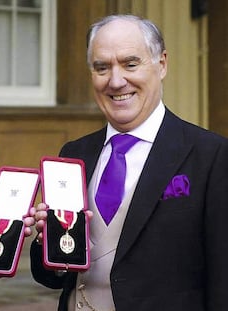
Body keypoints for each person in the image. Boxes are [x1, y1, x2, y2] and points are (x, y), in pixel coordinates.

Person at [30, 14, 228, 310]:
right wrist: (47, 244)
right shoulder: (75, 153)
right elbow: (53, 277)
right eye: (102, 67)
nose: (116, 80)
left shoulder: (211, 155)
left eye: (130, 64)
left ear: (161, 64)